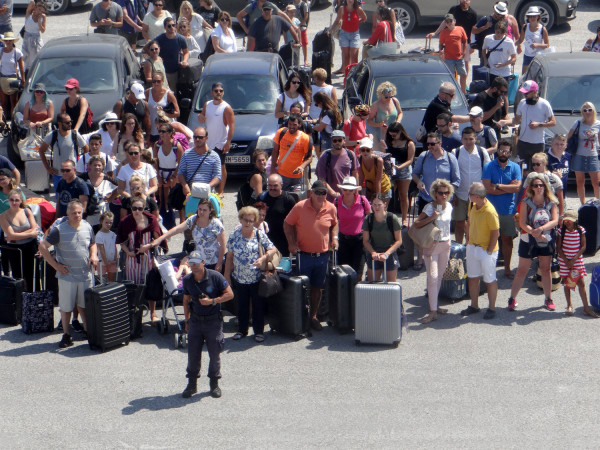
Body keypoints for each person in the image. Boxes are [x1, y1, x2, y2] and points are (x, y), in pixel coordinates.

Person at [39, 200, 98, 348]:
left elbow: (92, 243)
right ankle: (66, 335)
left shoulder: (87, 226)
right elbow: (42, 246)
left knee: (84, 305)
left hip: (85, 274)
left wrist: (94, 255)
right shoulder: (59, 229)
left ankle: (86, 331)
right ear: (67, 213)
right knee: (66, 308)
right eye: (74, 213)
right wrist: (56, 266)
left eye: (79, 212)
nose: (77, 215)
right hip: (67, 276)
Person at [284, 180, 338, 331]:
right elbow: (287, 224)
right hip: (304, 255)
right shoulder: (300, 207)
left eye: (324, 193)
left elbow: (334, 224)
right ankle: (301, 317)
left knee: (318, 288)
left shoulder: (331, 208)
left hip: (323, 255)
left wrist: (335, 238)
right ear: (311, 193)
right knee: (302, 288)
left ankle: (313, 316)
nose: (321, 195)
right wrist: (291, 243)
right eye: (318, 192)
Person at [180, 248, 233, 399]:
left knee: (215, 353)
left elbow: (230, 294)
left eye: (197, 263)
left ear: (203, 263)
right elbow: (186, 300)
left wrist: (213, 301)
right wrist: (187, 320)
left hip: (213, 321)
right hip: (196, 321)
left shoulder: (215, 276)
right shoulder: (187, 280)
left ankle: (214, 384)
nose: (194, 266)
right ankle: (191, 385)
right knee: (193, 354)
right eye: (191, 263)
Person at [225, 206, 278, 343]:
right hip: (239, 277)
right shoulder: (234, 235)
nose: (248, 223)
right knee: (241, 305)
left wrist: (263, 258)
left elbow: (272, 249)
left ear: (254, 220)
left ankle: (258, 331)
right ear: (240, 219)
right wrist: (226, 276)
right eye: (245, 220)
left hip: (256, 277)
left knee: (258, 305)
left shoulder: (259, 234)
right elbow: (229, 257)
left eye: (251, 220)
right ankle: (242, 330)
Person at [507, 173, 558, 312]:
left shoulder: (551, 201)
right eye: (536, 185)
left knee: (546, 269)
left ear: (545, 186)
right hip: (528, 239)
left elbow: (555, 220)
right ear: (531, 187)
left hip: (545, 238)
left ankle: (548, 298)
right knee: (522, 270)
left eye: (541, 185)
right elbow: (522, 223)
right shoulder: (525, 202)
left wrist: (540, 230)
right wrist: (534, 233)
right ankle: (512, 298)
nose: (539, 187)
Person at [117, 194, 164, 321]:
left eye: (140, 208)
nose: (137, 211)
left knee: (150, 284)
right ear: (130, 208)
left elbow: (158, 238)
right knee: (134, 287)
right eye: (134, 208)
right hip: (132, 258)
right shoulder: (126, 221)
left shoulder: (151, 219)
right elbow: (121, 241)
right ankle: (135, 315)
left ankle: (153, 313)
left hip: (147, 256)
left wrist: (148, 246)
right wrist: (128, 252)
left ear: (144, 208)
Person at [144, 198, 226, 271]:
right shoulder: (194, 219)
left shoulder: (216, 224)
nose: (201, 212)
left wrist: (219, 264)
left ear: (210, 210)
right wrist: (160, 239)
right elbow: (177, 229)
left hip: (213, 262)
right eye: (200, 209)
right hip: (198, 261)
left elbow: (222, 245)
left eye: (204, 210)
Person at [413, 179, 454, 324]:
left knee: (440, 277)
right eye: (441, 193)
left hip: (446, 244)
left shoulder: (449, 206)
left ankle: (434, 306)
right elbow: (416, 224)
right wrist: (432, 218)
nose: (444, 195)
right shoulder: (429, 208)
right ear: (435, 194)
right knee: (433, 277)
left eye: (446, 192)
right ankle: (432, 311)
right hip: (431, 246)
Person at [460, 182, 499, 320]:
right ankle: (474, 305)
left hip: (486, 250)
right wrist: (469, 240)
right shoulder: (472, 205)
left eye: (470, 194)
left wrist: (489, 251)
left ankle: (492, 308)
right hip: (473, 247)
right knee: (473, 277)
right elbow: (469, 221)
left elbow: (495, 233)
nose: (468, 196)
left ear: (476, 196)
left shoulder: (490, 211)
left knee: (489, 279)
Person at [482, 140, 520, 280]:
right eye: (501, 150)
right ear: (497, 151)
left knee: (507, 241)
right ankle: (487, 270)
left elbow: (517, 188)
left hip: (508, 210)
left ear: (510, 153)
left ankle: (507, 269)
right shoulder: (489, 166)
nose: (503, 153)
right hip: (490, 210)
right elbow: (487, 188)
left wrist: (496, 186)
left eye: (506, 151)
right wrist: (506, 187)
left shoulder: (515, 167)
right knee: (488, 240)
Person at [500, 80, 555, 172]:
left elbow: (553, 122)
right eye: (524, 93)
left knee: (537, 170)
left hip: (537, 144)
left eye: (527, 93)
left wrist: (539, 124)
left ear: (534, 92)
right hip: (523, 142)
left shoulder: (544, 104)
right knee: (523, 170)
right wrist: (505, 122)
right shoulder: (522, 103)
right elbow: (516, 120)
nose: (525, 95)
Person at [557, 209, 599, 318]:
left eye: (569, 221)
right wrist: (566, 261)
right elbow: (558, 248)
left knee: (581, 283)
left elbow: (583, 246)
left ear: (575, 220)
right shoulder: (561, 231)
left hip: (576, 260)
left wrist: (573, 260)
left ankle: (586, 308)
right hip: (564, 260)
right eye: (565, 220)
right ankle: (569, 305)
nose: (567, 222)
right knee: (567, 282)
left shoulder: (581, 230)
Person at [452, 127, 490, 244]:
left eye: (470, 139)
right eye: (465, 139)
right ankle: (459, 249)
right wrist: (452, 194)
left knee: (475, 224)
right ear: (462, 139)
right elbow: (452, 174)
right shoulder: (456, 152)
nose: (468, 142)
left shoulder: (482, 152)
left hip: (477, 195)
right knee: (459, 223)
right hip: (460, 194)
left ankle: (472, 247)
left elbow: (487, 172)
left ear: (475, 139)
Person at [197, 82, 234, 198]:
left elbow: (232, 126)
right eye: (216, 90)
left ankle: (221, 191)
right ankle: (208, 188)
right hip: (208, 143)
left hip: (220, 143)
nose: (219, 93)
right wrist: (200, 117)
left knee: (221, 167)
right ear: (212, 92)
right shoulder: (207, 104)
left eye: (221, 91)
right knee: (207, 166)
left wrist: (228, 142)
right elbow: (202, 117)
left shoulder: (226, 108)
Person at [0, 188, 38, 292]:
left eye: (16, 200)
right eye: (11, 200)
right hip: (15, 250)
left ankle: (30, 299)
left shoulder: (27, 211)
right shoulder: (3, 216)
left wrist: (16, 235)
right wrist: (29, 233)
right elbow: (11, 236)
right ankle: (19, 301)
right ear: (8, 200)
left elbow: (35, 228)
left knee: (31, 274)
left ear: (21, 200)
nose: (14, 202)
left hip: (30, 247)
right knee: (17, 276)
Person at [39, 112, 88, 190]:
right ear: (59, 123)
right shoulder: (52, 135)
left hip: (73, 175)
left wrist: (81, 165)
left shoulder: (75, 134)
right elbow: (41, 151)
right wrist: (48, 168)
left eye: (70, 121)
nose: (70, 124)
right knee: (59, 198)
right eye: (67, 122)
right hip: (58, 174)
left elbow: (86, 149)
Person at [427, 0, 478, 75]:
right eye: (463, 0)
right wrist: (435, 33)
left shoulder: (473, 13)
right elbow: (445, 22)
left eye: (466, 0)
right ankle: (454, 83)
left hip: (465, 42)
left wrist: (473, 45)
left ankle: (464, 84)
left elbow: (473, 30)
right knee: (451, 63)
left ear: (469, 1)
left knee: (465, 63)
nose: (464, 1)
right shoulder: (454, 9)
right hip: (452, 40)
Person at [334, 176, 370, 275]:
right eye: (345, 189)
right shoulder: (337, 202)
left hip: (359, 240)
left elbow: (370, 217)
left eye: (350, 190)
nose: (347, 192)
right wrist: (334, 238)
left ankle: (355, 290)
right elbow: (334, 221)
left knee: (358, 271)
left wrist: (368, 235)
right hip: (343, 240)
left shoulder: (362, 200)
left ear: (355, 190)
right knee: (343, 272)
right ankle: (346, 290)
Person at [362, 193, 402, 282]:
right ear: (371, 205)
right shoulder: (368, 219)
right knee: (373, 284)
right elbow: (365, 241)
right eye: (374, 205)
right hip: (374, 253)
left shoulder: (392, 218)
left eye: (379, 205)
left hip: (389, 253)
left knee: (390, 285)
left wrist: (386, 254)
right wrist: (373, 253)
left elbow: (399, 241)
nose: (377, 207)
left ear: (385, 204)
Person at [567, 101, 600, 204]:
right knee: (580, 182)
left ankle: (598, 204)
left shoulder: (598, 124)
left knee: (596, 183)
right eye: (585, 110)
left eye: (589, 109)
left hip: (593, 155)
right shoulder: (578, 123)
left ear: (593, 111)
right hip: (579, 155)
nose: (587, 112)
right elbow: (568, 136)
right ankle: (583, 205)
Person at [270, 114, 313, 191]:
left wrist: (302, 167)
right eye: (290, 124)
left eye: (294, 124)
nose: (291, 126)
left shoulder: (305, 138)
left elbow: (309, 158)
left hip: (297, 177)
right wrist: (273, 167)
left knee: (295, 199)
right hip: (282, 174)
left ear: (299, 125)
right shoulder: (281, 132)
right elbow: (275, 150)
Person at [176, 126, 222, 196]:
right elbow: (180, 173)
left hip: (208, 193)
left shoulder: (214, 156)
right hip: (190, 193)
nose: (197, 139)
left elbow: (217, 176)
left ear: (206, 138)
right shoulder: (186, 154)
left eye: (200, 137)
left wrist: (206, 187)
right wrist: (185, 186)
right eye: (195, 137)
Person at [316, 130, 358, 202]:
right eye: (335, 140)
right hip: (331, 199)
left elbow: (355, 173)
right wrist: (333, 193)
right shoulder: (325, 156)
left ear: (344, 140)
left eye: (339, 140)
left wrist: (356, 192)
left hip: (348, 196)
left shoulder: (350, 154)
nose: (337, 142)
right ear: (331, 141)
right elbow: (321, 179)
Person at [259, 173, 296, 257]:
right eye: (270, 185)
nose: (272, 188)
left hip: (284, 240)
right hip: (266, 239)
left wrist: (293, 242)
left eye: (275, 185)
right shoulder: (262, 198)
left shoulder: (288, 199)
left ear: (281, 185)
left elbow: (295, 222)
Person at [385, 122, 414, 226]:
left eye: (394, 135)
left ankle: (404, 218)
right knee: (388, 194)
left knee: (403, 195)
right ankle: (385, 217)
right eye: (391, 135)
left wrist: (400, 167)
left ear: (400, 132)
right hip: (391, 169)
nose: (393, 137)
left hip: (404, 170)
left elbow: (410, 160)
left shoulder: (409, 143)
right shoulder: (389, 141)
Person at [330, 0, 366, 75]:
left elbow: (364, 18)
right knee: (345, 55)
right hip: (344, 34)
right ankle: (345, 71)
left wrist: (357, 21)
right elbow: (337, 20)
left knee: (354, 55)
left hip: (355, 34)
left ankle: (354, 73)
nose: (350, 0)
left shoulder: (358, 9)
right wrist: (330, 30)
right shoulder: (342, 8)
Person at [523, 152, 564, 217]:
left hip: (551, 212)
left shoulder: (554, 178)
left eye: (538, 164)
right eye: (533, 164)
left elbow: (561, 199)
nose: (535, 167)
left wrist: (561, 216)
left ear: (544, 163)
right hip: (533, 212)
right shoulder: (530, 177)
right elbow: (525, 197)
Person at [82, 155, 118, 229]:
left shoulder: (107, 178)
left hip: (102, 215)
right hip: (87, 214)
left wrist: (110, 199)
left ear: (103, 167)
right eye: (95, 165)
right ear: (90, 166)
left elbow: (119, 188)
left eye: (99, 165)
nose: (97, 167)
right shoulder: (83, 178)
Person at [155, 17, 189, 91]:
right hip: (162, 71)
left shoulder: (181, 39)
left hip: (174, 71)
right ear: (165, 27)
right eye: (169, 26)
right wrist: (155, 58)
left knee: (173, 92)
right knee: (162, 91)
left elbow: (186, 52)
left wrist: (185, 61)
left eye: (173, 25)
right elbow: (147, 48)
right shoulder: (160, 39)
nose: (172, 27)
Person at [145, 70, 179, 143]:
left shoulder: (169, 94)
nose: (156, 83)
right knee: (154, 152)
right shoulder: (147, 93)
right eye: (154, 81)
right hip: (152, 129)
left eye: (158, 81)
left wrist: (164, 113)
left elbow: (177, 113)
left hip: (165, 130)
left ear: (163, 81)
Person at [156, 122, 183, 211]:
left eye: (163, 131)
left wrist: (174, 177)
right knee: (161, 201)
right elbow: (155, 162)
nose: (161, 133)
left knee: (173, 201)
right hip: (160, 173)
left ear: (170, 133)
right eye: (160, 131)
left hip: (173, 174)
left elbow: (181, 163)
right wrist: (158, 176)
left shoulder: (177, 146)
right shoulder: (157, 145)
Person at [367, 81, 402, 151]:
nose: (389, 98)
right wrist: (378, 125)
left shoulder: (395, 101)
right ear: (381, 94)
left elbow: (400, 113)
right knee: (382, 157)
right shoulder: (375, 105)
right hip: (380, 137)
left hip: (394, 136)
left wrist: (397, 122)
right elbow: (369, 121)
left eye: (391, 96)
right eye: (386, 97)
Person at [438, 14, 468, 94]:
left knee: (463, 74)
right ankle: (452, 92)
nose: (449, 23)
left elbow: (465, 41)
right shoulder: (443, 33)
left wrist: (464, 51)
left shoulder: (460, 29)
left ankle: (463, 92)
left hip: (459, 57)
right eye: (447, 22)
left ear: (454, 21)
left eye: (450, 21)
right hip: (449, 58)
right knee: (450, 76)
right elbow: (441, 44)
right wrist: (440, 50)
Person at [515, 6, 549, 74]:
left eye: (534, 16)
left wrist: (537, 45)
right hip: (527, 55)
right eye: (530, 16)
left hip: (538, 56)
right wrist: (513, 44)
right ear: (528, 17)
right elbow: (521, 40)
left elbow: (547, 45)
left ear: (538, 17)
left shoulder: (542, 29)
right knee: (524, 75)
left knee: (537, 76)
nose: (532, 18)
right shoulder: (525, 27)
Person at [482, 21, 517, 87]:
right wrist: (485, 60)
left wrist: (503, 64)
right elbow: (483, 49)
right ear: (495, 31)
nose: (499, 35)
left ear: (504, 33)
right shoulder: (488, 39)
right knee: (492, 92)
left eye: (502, 33)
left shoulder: (509, 42)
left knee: (503, 93)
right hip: (492, 71)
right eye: (497, 32)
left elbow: (514, 58)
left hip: (505, 72)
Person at [358, 137, 391, 204]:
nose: (365, 152)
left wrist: (377, 197)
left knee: (381, 211)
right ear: (360, 150)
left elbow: (378, 180)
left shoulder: (378, 160)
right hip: (370, 189)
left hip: (383, 188)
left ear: (372, 150)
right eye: (362, 150)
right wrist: (358, 193)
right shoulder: (359, 158)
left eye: (368, 150)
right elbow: (361, 177)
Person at [0, 32, 24, 118]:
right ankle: (4, 119)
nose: (8, 42)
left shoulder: (17, 52)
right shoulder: (1, 51)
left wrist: (23, 81)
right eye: (6, 40)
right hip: (3, 77)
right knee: (3, 102)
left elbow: (21, 68)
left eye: (10, 40)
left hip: (13, 77)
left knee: (13, 101)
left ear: (13, 41)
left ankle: (13, 119)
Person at [311, 91, 341, 156]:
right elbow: (322, 121)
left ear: (321, 103)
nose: (317, 106)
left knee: (327, 159)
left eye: (317, 104)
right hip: (332, 137)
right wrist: (314, 121)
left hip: (328, 140)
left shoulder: (328, 114)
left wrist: (311, 127)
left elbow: (319, 128)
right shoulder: (331, 110)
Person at [21, 1, 46, 71]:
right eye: (39, 9)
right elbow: (31, 2)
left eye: (42, 11)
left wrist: (39, 23)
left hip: (36, 39)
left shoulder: (42, 17)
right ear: (35, 8)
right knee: (26, 57)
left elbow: (43, 30)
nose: (40, 12)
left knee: (36, 57)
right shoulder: (28, 15)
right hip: (27, 38)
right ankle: (26, 72)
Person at [95, 211, 118, 282]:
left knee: (111, 280)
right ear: (102, 221)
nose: (109, 224)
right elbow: (101, 250)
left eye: (110, 222)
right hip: (102, 262)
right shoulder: (99, 235)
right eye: (106, 222)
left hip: (112, 261)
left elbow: (115, 247)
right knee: (102, 280)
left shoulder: (113, 234)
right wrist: (106, 262)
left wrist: (116, 259)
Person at [293, 0, 309, 66]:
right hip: (293, 26)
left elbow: (306, 16)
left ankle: (305, 60)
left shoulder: (303, 4)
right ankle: (294, 60)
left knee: (304, 43)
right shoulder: (292, 3)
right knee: (294, 43)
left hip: (302, 26)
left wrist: (299, 25)